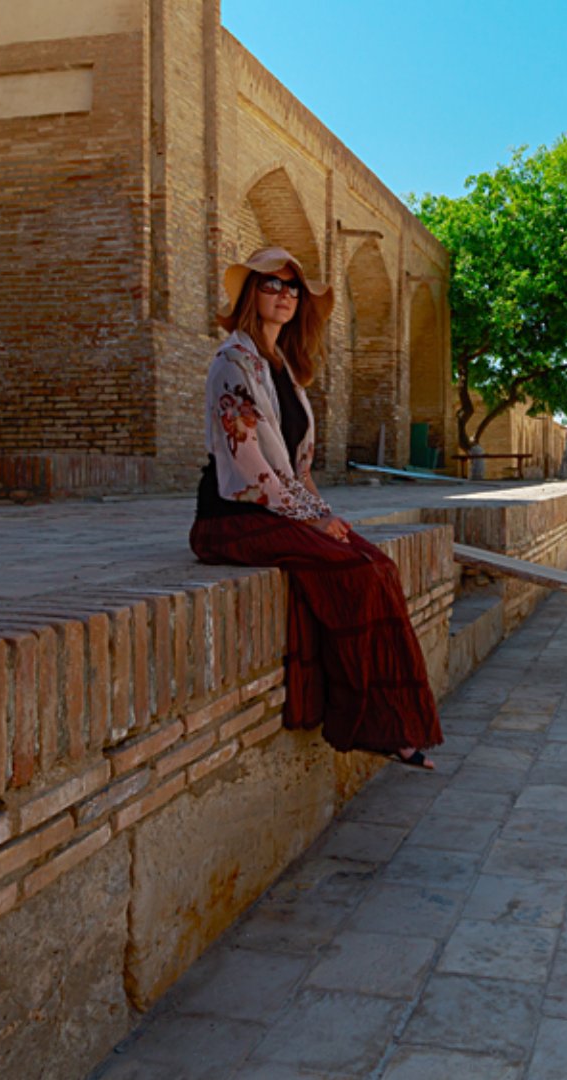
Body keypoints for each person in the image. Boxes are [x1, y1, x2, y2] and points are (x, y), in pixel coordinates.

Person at [189, 246, 442, 768]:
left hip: (279, 512)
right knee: (357, 574)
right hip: (234, 519)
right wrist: (312, 519)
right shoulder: (231, 362)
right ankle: (374, 724)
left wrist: (323, 514)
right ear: (249, 294)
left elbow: (297, 470)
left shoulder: (286, 370)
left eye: (293, 288)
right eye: (271, 285)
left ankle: (392, 723)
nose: (284, 296)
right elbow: (249, 467)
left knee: (380, 566)